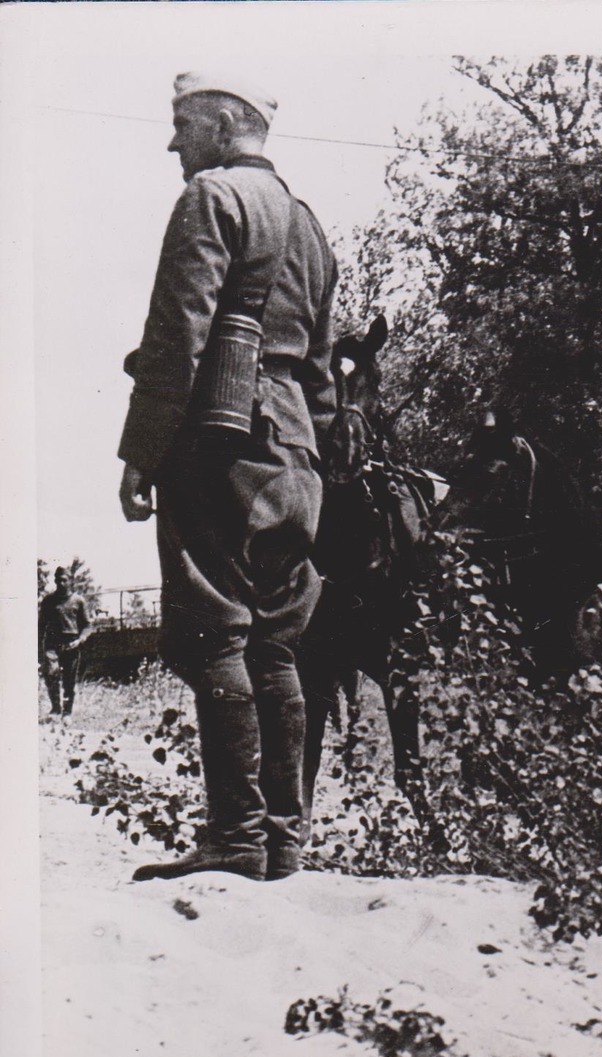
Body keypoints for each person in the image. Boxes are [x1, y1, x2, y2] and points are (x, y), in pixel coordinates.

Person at [119, 72, 338, 883]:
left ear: (221, 123)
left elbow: (178, 334)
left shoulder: (212, 198)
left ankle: (234, 838)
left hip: (219, 440)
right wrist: (309, 462)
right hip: (293, 452)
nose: (174, 142)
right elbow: (320, 373)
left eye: (182, 124)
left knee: (216, 629)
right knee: (277, 643)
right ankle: (284, 843)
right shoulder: (310, 225)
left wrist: (140, 453)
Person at [39, 567, 93, 716]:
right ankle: (56, 707)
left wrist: (80, 640)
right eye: (58, 580)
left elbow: (88, 625)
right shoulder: (48, 601)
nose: (61, 583)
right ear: (55, 581)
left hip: (71, 643)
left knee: (69, 681)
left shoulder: (78, 601)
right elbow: (41, 625)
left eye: (64, 580)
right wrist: (39, 648)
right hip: (52, 643)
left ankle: (67, 712)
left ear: (70, 581)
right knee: (51, 673)